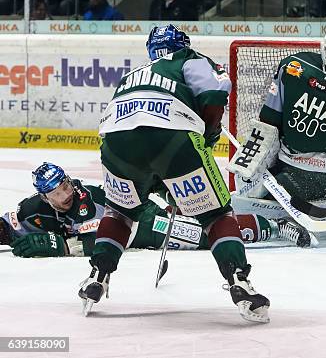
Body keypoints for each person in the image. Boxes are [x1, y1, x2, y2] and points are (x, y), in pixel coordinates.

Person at [79, 25, 270, 323]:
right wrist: (209, 134)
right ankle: (238, 281)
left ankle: (97, 276)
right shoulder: (188, 58)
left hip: (115, 144)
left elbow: (137, 139)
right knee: (216, 217)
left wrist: (166, 185)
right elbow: (216, 91)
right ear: (183, 44)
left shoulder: (131, 75)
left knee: (118, 213)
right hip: (173, 138)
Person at [229, 27, 326, 229]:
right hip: (284, 159)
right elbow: (270, 121)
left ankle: (277, 229)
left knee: (270, 195)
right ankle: (274, 222)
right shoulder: (295, 68)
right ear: (325, 52)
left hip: (322, 171)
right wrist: (254, 156)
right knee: (245, 190)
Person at [0, 162, 307, 258]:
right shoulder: (32, 209)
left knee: (207, 235)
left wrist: (63, 246)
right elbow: (7, 225)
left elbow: (107, 237)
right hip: (133, 225)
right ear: (44, 195)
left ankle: (274, 226)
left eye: (66, 185)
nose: (66, 193)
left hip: (143, 223)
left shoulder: (87, 201)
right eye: (58, 191)